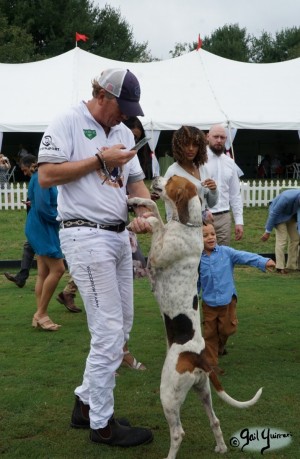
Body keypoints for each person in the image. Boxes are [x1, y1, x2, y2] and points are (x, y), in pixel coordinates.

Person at [37, 68, 153, 447]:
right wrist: (100, 160)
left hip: (119, 237)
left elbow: (135, 180)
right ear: (102, 94)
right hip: (84, 235)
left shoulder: (122, 132)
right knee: (107, 333)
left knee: (122, 327)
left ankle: (85, 404)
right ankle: (102, 425)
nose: (126, 116)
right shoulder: (68, 120)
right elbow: (47, 175)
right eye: (123, 106)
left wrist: (143, 210)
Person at [198, 223, 276, 371]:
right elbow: (195, 282)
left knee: (227, 330)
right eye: (205, 235)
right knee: (209, 335)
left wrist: (264, 261)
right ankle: (212, 366)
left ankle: (221, 346)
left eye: (213, 234)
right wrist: (193, 299)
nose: (210, 237)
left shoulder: (226, 253)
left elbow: (245, 256)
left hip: (227, 302)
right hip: (208, 304)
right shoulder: (197, 259)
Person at [20, 154, 65, 331]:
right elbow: (44, 208)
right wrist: (62, 217)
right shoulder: (40, 177)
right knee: (58, 269)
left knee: (43, 272)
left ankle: (41, 314)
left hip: (43, 226)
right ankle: (41, 314)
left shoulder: (41, 177)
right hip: (42, 227)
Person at [164, 125, 218, 221]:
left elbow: (211, 203)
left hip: (202, 224)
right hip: (183, 226)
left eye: (195, 144)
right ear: (179, 146)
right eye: (186, 144)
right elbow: (169, 207)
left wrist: (213, 190)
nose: (191, 148)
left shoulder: (203, 168)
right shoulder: (173, 172)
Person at [205, 124, 244, 245]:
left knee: (222, 254)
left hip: (224, 217)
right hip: (204, 216)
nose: (219, 140)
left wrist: (239, 221)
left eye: (222, 137)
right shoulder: (199, 160)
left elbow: (235, 194)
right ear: (207, 137)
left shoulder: (230, 163)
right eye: (215, 136)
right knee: (203, 255)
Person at [261, 189, 300, 274]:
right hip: (278, 216)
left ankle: (291, 266)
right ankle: (280, 267)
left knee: (296, 239)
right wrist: (267, 231)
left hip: (291, 215)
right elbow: (274, 213)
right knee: (282, 240)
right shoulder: (286, 198)